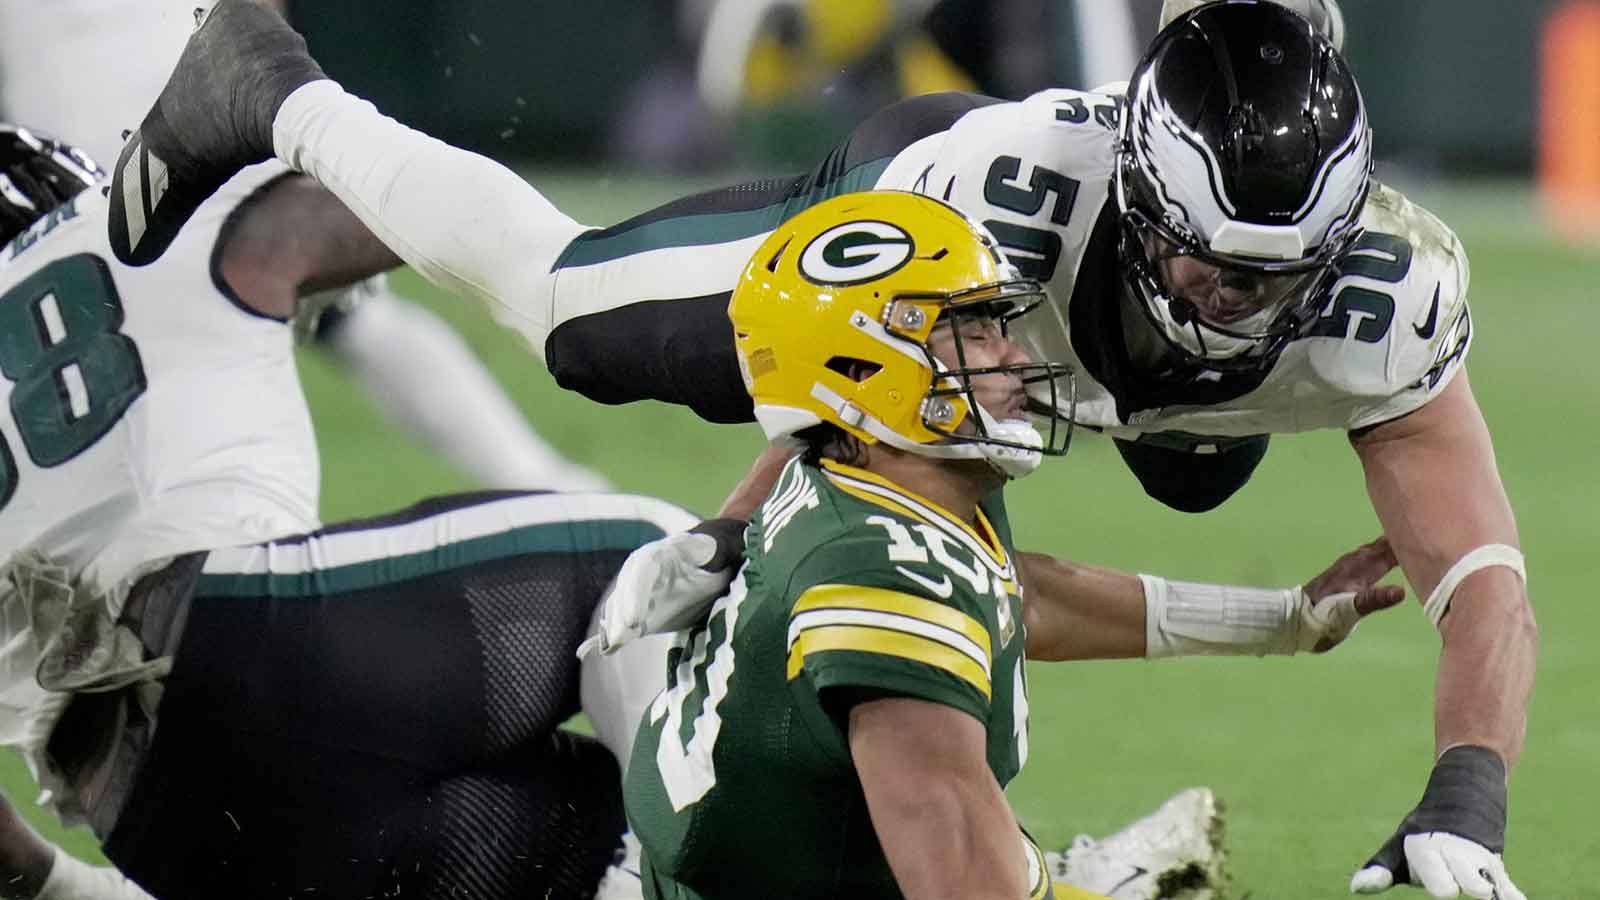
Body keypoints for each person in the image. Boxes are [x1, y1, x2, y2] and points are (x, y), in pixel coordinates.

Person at [106, 2, 1535, 897]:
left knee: (1147, 469)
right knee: (578, 321)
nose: (1241, 316)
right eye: (1214, 272)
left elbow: (1483, 579)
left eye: (1279, 281)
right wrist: (746, 522)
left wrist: (1465, 789)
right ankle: (270, 83)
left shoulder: (1382, 306)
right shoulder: (997, 212)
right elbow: (860, 438)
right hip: (926, 217)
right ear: (1149, 204)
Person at [616, 189, 1401, 900]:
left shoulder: (892, 476)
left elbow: (1011, 597)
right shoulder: (875, 578)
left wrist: (1283, 621)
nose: (1017, 356)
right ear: (863, 367)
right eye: (976, 331)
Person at [0, 123, 693, 900]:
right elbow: (400, 205)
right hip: (255, 639)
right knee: (653, 560)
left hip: (144, 816)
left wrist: (50, 880)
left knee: (575, 841)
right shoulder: (113, 234)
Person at [0, 0, 609, 492]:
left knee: (316, 325)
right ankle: (548, 480)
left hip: (155, 142)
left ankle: (544, 476)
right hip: (181, 125)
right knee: (341, 322)